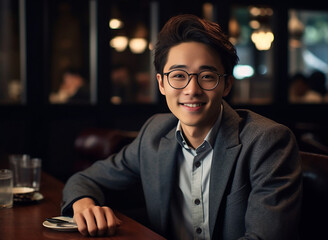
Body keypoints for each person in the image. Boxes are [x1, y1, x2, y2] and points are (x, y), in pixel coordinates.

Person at [62, 14, 302, 239]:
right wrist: (84, 203)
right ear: (161, 83)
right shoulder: (154, 133)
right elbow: (84, 180)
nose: (192, 90)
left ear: (226, 85)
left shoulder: (267, 141)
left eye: (207, 76)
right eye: (178, 75)